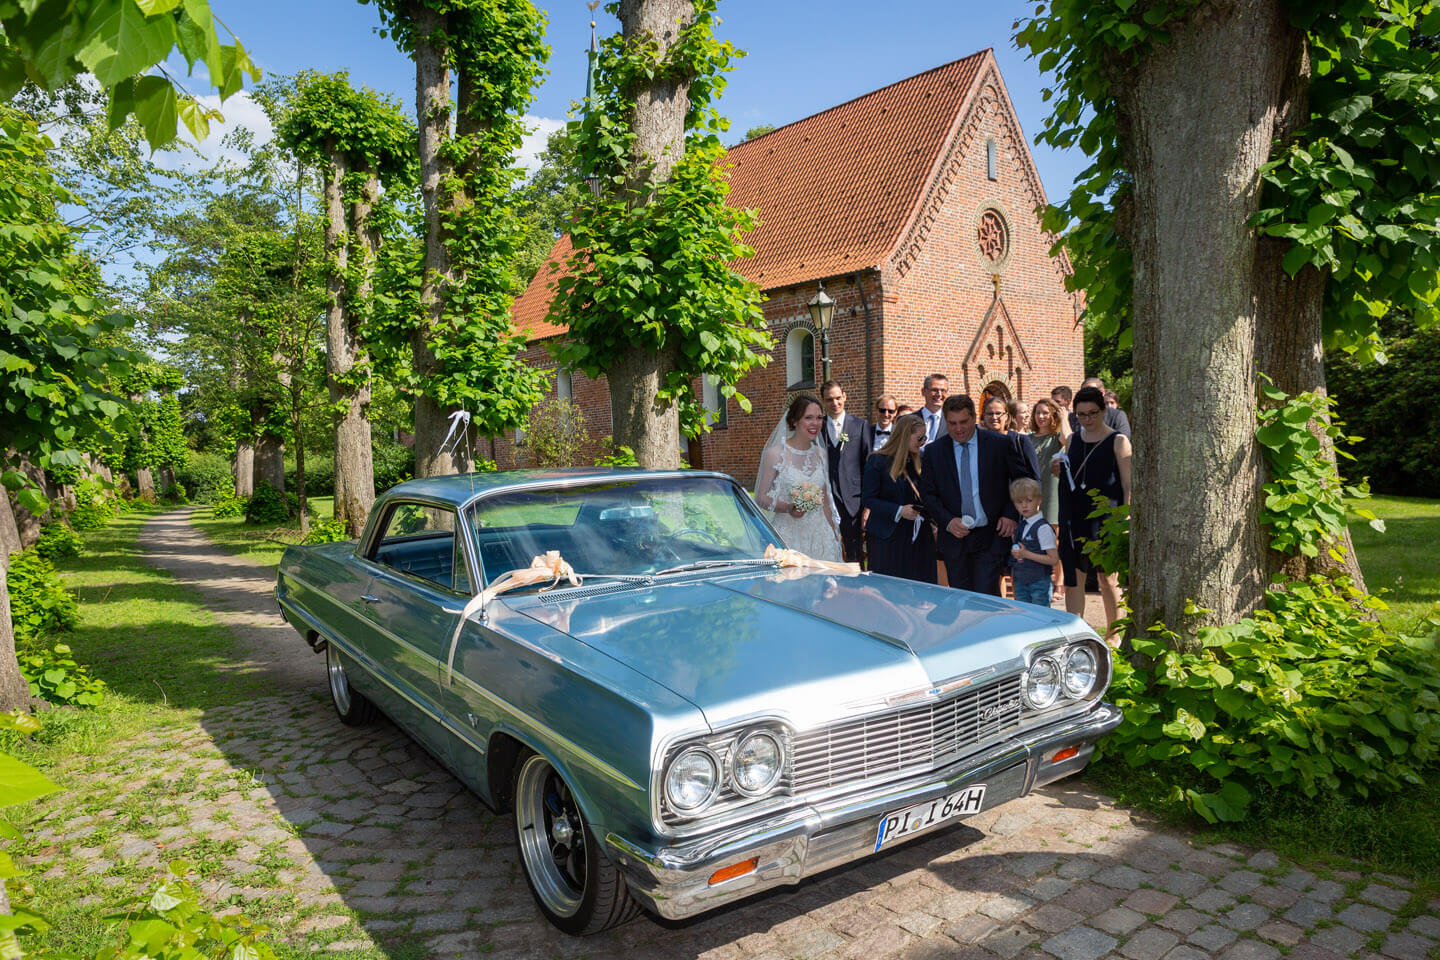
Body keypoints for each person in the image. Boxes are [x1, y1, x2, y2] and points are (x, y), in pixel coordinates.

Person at [920, 395, 1037, 595]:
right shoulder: (934, 451)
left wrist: (1010, 514)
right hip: (954, 537)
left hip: (990, 536)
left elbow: (1021, 481)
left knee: (986, 596)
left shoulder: (999, 444)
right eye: (952, 423)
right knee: (962, 598)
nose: (958, 429)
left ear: (974, 417)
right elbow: (928, 494)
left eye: (964, 422)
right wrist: (948, 521)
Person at [1052, 386, 1132, 636]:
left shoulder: (1118, 441)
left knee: (1108, 579)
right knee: (1074, 578)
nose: (1087, 419)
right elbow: (1068, 472)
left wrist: (1126, 518)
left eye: (1092, 413)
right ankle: (1075, 633)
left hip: (1108, 519)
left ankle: (1114, 634)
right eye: (1081, 415)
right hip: (1074, 517)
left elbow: (1129, 484)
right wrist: (1058, 469)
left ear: (1104, 410)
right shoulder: (1073, 439)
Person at [754, 394, 844, 561]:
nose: (815, 423)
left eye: (819, 418)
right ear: (794, 421)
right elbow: (760, 498)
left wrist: (834, 532)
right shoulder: (775, 453)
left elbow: (825, 500)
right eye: (808, 418)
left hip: (820, 535)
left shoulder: (821, 454)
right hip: (789, 534)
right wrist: (788, 507)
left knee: (824, 585)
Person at [861, 414, 936, 583]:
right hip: (888, 538)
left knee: (919, 589)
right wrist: (898, 511)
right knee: (888, 589)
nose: (923, 442)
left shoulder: (921, 462)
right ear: (905, 436)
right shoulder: (877, 461)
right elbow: (868, 498)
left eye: (925, 437)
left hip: (918, 538)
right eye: (920, 438)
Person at [819, 380, 873, 564]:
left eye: (838, 398)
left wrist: (867, 503)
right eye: (829, 400)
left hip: (853, 499)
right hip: (825, 497)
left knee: (855, 551)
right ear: (823, 401)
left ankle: (856, 586)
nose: (834, 403)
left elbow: (869, 466)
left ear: (844, 396)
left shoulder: (860, 425)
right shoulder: (817, 428)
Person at [1029, 397, 1068, 598]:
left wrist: (1064, 418)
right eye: (1038, 413)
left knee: (1054, 538)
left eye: (1045, 413)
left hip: (1052, 490)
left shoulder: (1056, 438)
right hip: (1033, 493)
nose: (1041, 416)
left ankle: (1059, 582)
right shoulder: (1028, 438)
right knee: (1036, 537)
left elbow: (1069, 439)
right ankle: (1040, 579)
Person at [1008, 477, 1058, 607]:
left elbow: (1053, 559)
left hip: (1039, 582)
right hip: (1021, 581)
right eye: (1019, 502)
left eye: (1029, 501)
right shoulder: (1022, 526)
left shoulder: (1043, 528)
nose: (1024, 505)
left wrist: (1026, 554)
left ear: (1039, 501)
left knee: (1040, 617)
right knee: (1024, 616)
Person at [980, 395, 1041, 478]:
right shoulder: (979, 443)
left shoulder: (1020, 441)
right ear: (984, 416)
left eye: (998, 413)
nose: (994, 417)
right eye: (990, 414)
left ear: (1006, 416)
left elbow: (1035, 476)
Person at [919, 373, 949, 446]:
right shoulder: (908, 421)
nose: (939, 394)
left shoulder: (952, 422)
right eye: (934, 390)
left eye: (943, 390)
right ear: (923, 391)